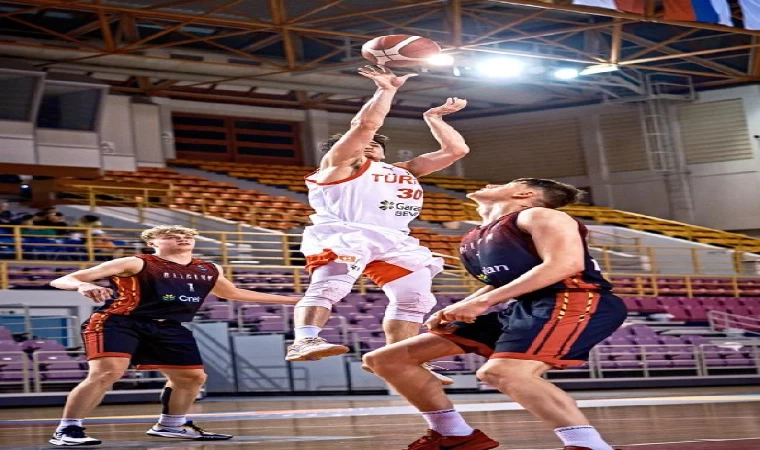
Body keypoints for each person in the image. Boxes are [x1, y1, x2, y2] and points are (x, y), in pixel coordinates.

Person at [362, 179, 628, 450]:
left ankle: (588, 445)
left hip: (575, 298)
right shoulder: (478, 236)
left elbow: (565, 264)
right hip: (527, 305)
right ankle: (454, 434)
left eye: (507, 182)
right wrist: (460, 306)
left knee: (504, 373)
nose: (490, 182)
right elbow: (504, 280)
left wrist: (483, 303)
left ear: (525, 193)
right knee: (387, 359)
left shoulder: (539, 215)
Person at [285, 65, 470, 379]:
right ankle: (303, 341)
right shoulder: (337, 166)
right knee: (330, 286)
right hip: (345, 232)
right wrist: (386, 90)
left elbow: (456, 150)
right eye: (363, 142)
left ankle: (400, 358)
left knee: (416, 297)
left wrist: (434, 119)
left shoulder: (405, 170)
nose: (370, 144)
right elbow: (366, 124)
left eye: (376, 144)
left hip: (395, 238)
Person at [48, 225, 298, 446]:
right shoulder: (136, 262)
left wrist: (293, 300)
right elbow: (63, 279)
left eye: (187, 235)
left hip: (169, 326)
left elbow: (233, 293)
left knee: (192, 377)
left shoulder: (207, 268)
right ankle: (68, 428)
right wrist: (83, 284)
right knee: (107, 373)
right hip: (119, 321)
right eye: (172, 236)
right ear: (152, 242)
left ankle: (171, 425)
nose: (182, 238)